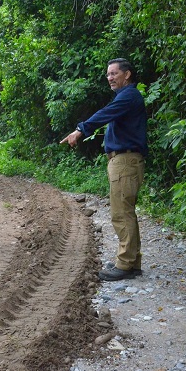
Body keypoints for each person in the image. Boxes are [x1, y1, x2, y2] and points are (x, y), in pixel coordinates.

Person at [60, 58, 148, 282]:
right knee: (125, 211)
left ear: (126, 75)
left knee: (121, 213)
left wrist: (80, 130)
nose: (109, 78)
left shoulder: (128, 96)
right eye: (108, 74)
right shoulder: (126, 96)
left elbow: (104, 114)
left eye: (113, 73)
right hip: (124, 161)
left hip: (126, 161)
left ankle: (126, 265)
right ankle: (131, 261)